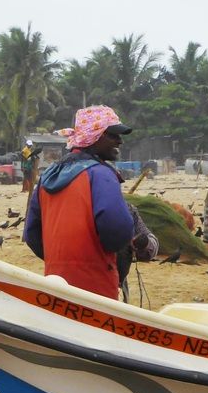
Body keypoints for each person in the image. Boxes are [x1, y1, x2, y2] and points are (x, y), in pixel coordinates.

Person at [23, 105, 135, 300]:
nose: (120, 141)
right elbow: (118, 232)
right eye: (113, 135)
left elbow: (32, 235)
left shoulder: (47, 176)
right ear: (95, 136)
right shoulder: (101, 174)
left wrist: (61, 262)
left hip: (55, 286)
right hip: (96, 286)